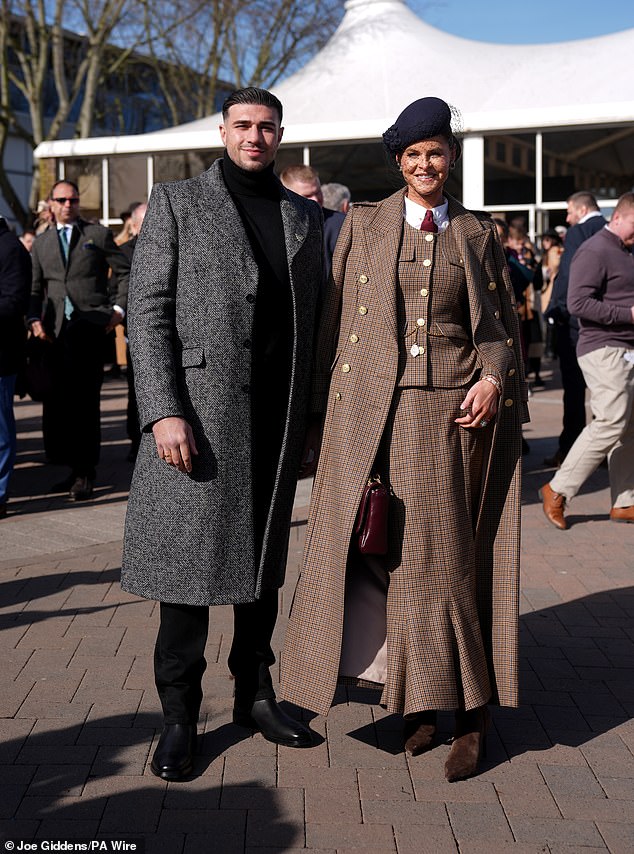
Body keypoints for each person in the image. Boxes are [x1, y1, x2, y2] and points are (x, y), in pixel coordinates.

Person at [280, 96, 528, 782]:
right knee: (381, 559)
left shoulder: (476, 232)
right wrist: (315, 420)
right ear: (399, 161)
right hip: (368, 417)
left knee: (444, 563)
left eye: (435, 153)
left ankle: (471, 716)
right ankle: (415, 702)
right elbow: (332, 324)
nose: (425, 165)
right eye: (413, 155)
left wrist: (492, 379)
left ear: (451, 157)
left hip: (449, 418)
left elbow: (501, 330)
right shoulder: (364, 223)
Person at [121, 87, 323, 782]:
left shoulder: (302, 215)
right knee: (188, 573)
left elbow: (316, 323)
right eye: (243, 125)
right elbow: (147, 311)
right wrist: (162, 409)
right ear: (223, 131)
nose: (254, 137)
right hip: (199, 419)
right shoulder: (178, 202)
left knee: (263, 569)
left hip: (275, 417)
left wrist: (313, 416)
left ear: (280, 135)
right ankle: (179, 715)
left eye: (266, 127)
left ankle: (255, 695)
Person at [29, 180, 130, 500]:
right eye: (62, 200)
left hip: (90, 328)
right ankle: (73, 469)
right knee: (62, 406)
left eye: (73, 199)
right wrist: (33, 319)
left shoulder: (96, 235)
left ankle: (86, 472)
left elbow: (125, 271)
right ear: (51, 203)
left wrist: (117, 309)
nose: (68, 205)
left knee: (86, 404)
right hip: (55, 333)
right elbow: (35, 288)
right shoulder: (42, 243)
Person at [540, 192, 634, 529]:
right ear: (618, 217)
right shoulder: (595, 249)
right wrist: (628, 314)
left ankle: (625, 501)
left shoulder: (625, 250)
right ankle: (557, 489)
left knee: (629, 425)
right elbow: (578, 303)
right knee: (611, 419)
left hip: (625, 347)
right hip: (602, 347)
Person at [544, 192, 606, 467]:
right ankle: (605, 450)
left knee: (574, 388)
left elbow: (569, 274)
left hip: (575, 323)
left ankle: (571, 449)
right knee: (605, 390)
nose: (567, 218)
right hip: (605, 323)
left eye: (569, 212)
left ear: (582, 210)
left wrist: (556, 309)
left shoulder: (579, 232)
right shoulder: (610, 231)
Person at [0, 217, 32, 519]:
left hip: (1, 355)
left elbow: (14, 302)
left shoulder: (9, 248)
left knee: (0, 432)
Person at [279, 164, 345, 280]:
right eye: (308, 195)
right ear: (289, 196)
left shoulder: (340, 224)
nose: (315, 199)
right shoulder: (277, 227)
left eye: (318, 192)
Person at [119, 203, 147, 460]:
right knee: (136, 389)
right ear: (135, 225)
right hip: (137, 333)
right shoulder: (125, 252)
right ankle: (136, 441)